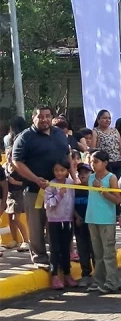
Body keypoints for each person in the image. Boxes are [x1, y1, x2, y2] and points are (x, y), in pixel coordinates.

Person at [11, 105, 71, 268]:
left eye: (47, 116)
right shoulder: (25, 137)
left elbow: (67, 156)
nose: (44, 119)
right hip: (35, 190)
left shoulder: (59, 133)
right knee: (36, 225)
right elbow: (17, 162)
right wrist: (36, 179)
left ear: (51, 117)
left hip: (59, 189)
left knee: (59, 223)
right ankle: (40, 257)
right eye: (40, 116)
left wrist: (73, 178)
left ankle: (60, 255)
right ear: (33, 118)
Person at [85, 150, 121, 293]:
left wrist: (102, 191)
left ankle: (112, 282)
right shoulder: (90, 177)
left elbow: (118, 199)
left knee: (108, 252)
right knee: (97, 253)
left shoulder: (111, 178)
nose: (93, 165)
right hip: (92, 218)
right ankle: (99, 280)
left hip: (106, 219)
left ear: (105, 163)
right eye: (92, 161)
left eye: (96, 162)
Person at [44, 157, 76, 289]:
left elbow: (72, 200)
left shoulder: (70, 183)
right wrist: (59, 196)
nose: (59, 173)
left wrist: (75, 215)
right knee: (55, 249)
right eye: (56, 170)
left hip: (67, 220)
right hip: (54, 221)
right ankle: (55, 276)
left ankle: (67, 274)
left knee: (65, 249)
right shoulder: (50, 185)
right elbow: (47, 204)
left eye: (62, 170)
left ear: (67, 171)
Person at [5, 116, 30, 252]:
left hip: (18, 193)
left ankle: (26, 240)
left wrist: (16, 182)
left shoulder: (19, 168)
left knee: (16, 217)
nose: (9, 157)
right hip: (10, 194)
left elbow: (25, 182)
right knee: (10, 217)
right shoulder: (6, 167)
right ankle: (15, 240)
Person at [73, 163, 93, 287]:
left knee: (95, 250)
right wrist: (76, 216)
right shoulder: (76, 189)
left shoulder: (94, 189)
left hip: (93, 223)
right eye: (81, 173)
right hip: (80, 224)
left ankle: (99, 275)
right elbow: (71, 205)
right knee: (83, 250)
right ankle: (86, 274)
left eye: (86, 172)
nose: (83, 175)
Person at [89, 110, 121, 177]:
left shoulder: (114, 130)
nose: (107, 120)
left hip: (118, 163)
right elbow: (92, 150)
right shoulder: (95, 131)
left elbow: (120, 148)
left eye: (109, 118)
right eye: (105, 118)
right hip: (104, 165)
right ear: (98, 119)